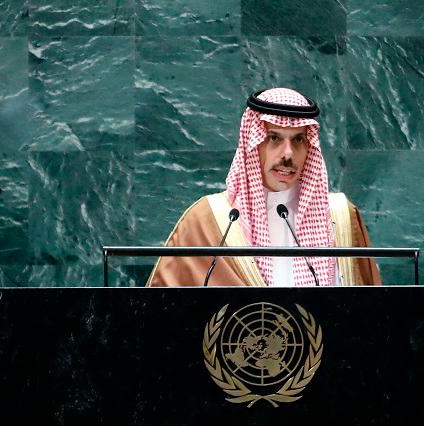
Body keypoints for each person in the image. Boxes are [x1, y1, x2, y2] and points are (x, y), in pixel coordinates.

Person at [146, 87, 380, 287]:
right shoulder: (209, 220)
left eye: (298, 139)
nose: (288, 154)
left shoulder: (339, 217)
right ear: (253, 143)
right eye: (274, 138)